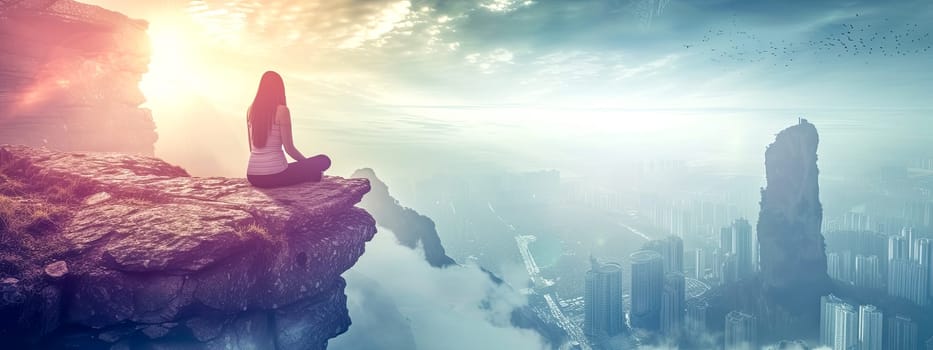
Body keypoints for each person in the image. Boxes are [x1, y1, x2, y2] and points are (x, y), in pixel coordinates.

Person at [246, 71, 331, 188]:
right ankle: (312, 174)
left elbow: (251, 148)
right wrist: (308, 165)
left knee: (300, 168)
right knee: (324, 160)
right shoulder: (282, 111)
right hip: (275, 175)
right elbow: (289, 149)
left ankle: (311, 174)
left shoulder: (251, 110)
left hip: (253, 176)